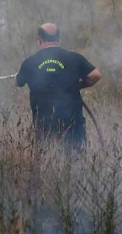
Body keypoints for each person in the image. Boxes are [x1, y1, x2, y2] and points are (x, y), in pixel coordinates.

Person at [14, 23, 102, 152]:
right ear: (58, 38)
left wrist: (18, 75)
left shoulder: (30, 62)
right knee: (76, 162)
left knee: (47, 164)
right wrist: (78, 85)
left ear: (39, 39)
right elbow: (95, 75)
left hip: (44, 126)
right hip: (72, 124)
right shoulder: (74, 58)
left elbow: (17, 82)